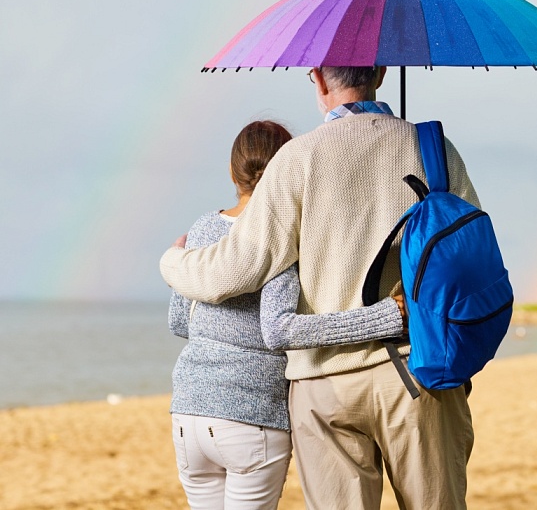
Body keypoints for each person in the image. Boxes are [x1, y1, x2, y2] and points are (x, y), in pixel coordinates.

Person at [161, 66, 480, 510]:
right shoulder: (433, 149)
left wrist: (173, 261)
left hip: (322, 383)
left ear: (319, 79)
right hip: (417, 371)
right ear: (382, 73)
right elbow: (466, 261)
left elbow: (234, 270)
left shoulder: (296, 159)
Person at [168, 119, 406, 510]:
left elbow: (181, 322)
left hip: (189, 413)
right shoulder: (277, 235)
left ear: (234, 172)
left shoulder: (202, 228)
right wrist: (383, 317)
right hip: (251, 416)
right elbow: (278, 331)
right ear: (287, 170)